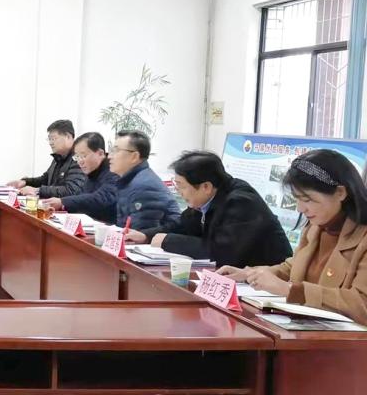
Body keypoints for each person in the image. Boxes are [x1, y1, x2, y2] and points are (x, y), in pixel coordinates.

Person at [218, 150, 367, 324]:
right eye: (297, 199)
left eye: (308, 199)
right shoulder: (316, 226)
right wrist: (250, 274)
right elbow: (293, 266)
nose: (300, 208)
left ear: (340, 193)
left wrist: (290, 290)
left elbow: (361, 304)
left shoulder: (362, 236)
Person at [126, 151, 292, 267]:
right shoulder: (205, 200)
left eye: (181, 186)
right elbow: (181, 225)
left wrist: (168, 241)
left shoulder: (241, 202)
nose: (179, 192)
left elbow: (222, 253)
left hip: (266, 285)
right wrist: (146, 235)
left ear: (206, 186)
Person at [108, 130, 180, 231]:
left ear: (134, 157)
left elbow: (140, 235)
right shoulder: (130, 180)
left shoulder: (143, 186)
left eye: (116, 150)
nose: (109, 156)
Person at [43, 132, 118, 224]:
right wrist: (61, 207)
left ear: (100, 153)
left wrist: (63, 202)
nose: (80, 162)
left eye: (83, 156)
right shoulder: (91, 172)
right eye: (77, 157)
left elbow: (101, 198)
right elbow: (81, 198)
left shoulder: (114, 170)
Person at [7, 119, 85, 199]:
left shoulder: (79, 158)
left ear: (68, 137)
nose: (50, 143)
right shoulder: (58, 157)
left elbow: (71, 190)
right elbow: (45, 179)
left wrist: (37, 190)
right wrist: (25, 182)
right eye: (49, 139)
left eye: (53, 138)